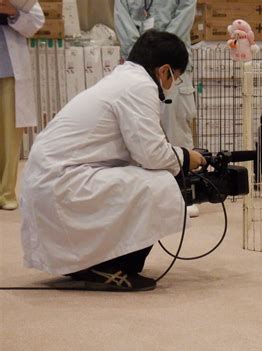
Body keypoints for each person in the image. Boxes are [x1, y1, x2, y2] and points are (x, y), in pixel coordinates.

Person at [20, 30, 206, 292]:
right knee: (161, 184)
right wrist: (188, 157)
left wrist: (177, 155)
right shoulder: (139, 87)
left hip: (53, 182)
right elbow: (152, 154)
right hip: (61, 184)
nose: (173, 82)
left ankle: (91, 263)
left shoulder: (125, 79)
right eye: (175, 76)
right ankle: (110, 267)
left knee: (149, 177)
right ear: (164, 71)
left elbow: (141, 148)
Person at [114, 0, 201, 217]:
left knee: (177, 130)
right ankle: (146, 194)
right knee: (138, 133)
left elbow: (182, 21)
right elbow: (123, 25)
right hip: (137, 65)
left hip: (173, 68)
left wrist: (162, 54)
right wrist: (142, 58)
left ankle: (184, 192)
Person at [0, 1, 44, 210]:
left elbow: (37, 21)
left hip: (8, 68)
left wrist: (11, 11)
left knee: (9, 133)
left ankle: (5, 192)